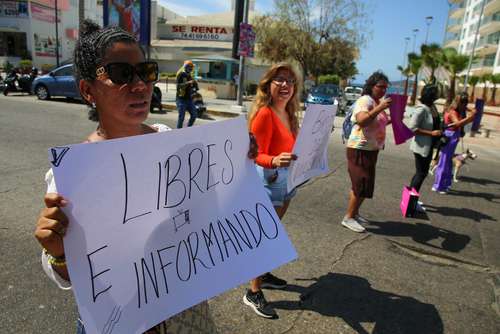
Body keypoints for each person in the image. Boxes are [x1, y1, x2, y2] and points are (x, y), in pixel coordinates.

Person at [34, 20, 218, 334]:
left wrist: (238, 169)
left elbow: (203, 214)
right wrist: (58, 253)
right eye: (121, 74)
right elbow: (68, 276)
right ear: (87, 90)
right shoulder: (71, 174)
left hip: (184, 316)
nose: (140, 86)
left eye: (146, 72)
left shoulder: (166, 139)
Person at [245, 62, 300, 319]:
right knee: (264, 237)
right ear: (268, 84)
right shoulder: (265, 114)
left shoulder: (290, 113)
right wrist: (274, 160)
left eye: (290, 80)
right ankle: (253, 292)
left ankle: (262, 274)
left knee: (273, 233)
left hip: (287, 180)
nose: (285, 85)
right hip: (269, 179)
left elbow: (293, 145)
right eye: (279, 79)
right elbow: (255, 155)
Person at [341, 71, 392, 233]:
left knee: (365, 184)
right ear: (372, 86)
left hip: (371, 148)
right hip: (359, 148)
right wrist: (380, 108)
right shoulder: (366, 100)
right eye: (380, 87)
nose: (383, 90)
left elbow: (377, 122)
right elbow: (362, 120)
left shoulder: (377, 101)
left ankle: (354, 213)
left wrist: (393, 118)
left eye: (386, 88)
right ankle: (348, 218)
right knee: (360, 183)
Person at [432, 92, 476, 194]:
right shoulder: (452, 111)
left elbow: (469, 110)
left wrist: (469, 109)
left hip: (454, 136)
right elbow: (457, 123)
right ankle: (438, 186)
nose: (464, 105)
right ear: (458, 102)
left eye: (466, 102)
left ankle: (445, 184)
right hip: (449, 136)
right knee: (444, 161)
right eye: (463, 102)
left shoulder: (459, 109)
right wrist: (469, 119)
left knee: (448, 162)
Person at [407, 84, 442, 211]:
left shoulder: (432, 107)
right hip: (421, 146)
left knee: (421, 173)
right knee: (421, 173)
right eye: (436, 93)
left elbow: (436, 122)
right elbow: (412, 128)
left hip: (429, 145)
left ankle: (411, 199)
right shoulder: (421, 109)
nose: (438, 95)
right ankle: (411, 202)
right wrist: (431, 133)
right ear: (431, 94)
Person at [176, 60, 197, 128]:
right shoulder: (181, 74)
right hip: (181, 99)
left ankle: (188, 129)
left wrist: (194, 87)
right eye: (189, 67)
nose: (191, 68)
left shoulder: (190, 75)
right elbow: (178, 85)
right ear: (186, 67)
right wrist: (188, 83)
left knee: (194, 115)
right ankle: (178, 132)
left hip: (189, 99)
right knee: (181, 117)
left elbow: (192, 86)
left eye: (192, 67)